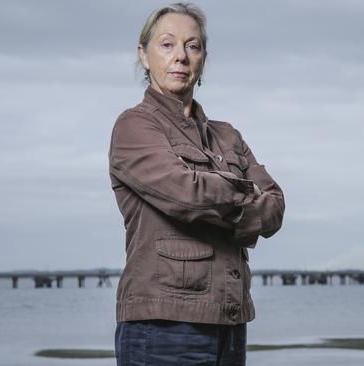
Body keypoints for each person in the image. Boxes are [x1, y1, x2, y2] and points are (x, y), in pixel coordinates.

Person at [109, 3, 285, 365]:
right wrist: (244, 192)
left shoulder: (227, 135)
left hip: (230, 323)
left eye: (192, 46)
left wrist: (218, 194)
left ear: (204, 57)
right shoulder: (134, 127)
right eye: (167, 44)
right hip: (163, 327)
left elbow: (276, 206)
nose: (181, 57)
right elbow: (187, 197)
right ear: (144, 55)